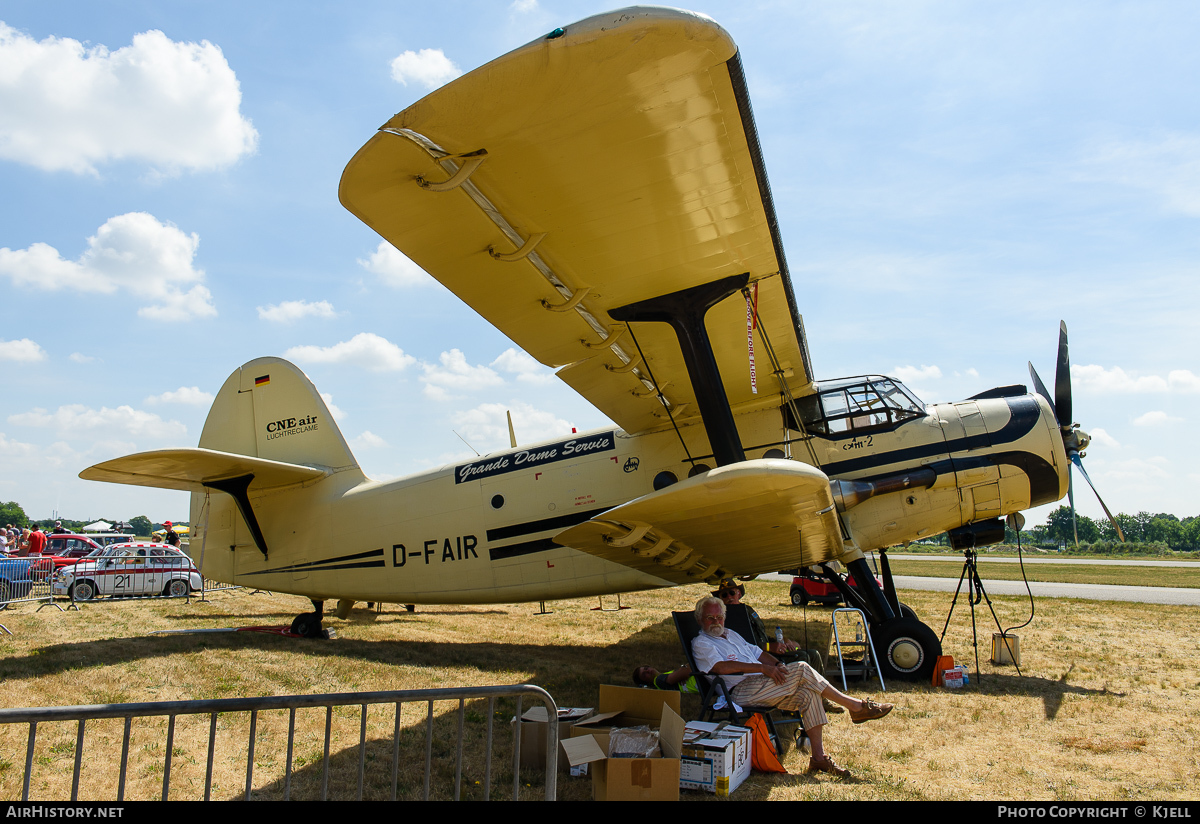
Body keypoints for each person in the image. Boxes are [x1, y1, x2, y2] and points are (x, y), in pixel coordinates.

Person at [691, 595, 893, 778]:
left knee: (808, 694)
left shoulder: (731, 634)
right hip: (739, 691)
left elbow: (757, 652)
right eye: (710, 618)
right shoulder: (701, 643)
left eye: (719, 617)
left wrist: (777, 665)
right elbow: (720, 667)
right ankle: (855, 706)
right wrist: (763, 669)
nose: (716, 622)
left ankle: (818, 758)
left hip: (761, 685)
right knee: (803, 668)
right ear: (700, 619)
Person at [633, 665, 699, 694]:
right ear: (646, 682)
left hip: (699, 679)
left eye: (646, 668)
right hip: (699, 680)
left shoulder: (663, 676)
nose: (647, 671)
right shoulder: (659, 680)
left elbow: (685, 670)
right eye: (644, 675)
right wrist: (683, 669)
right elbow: (686, 671)